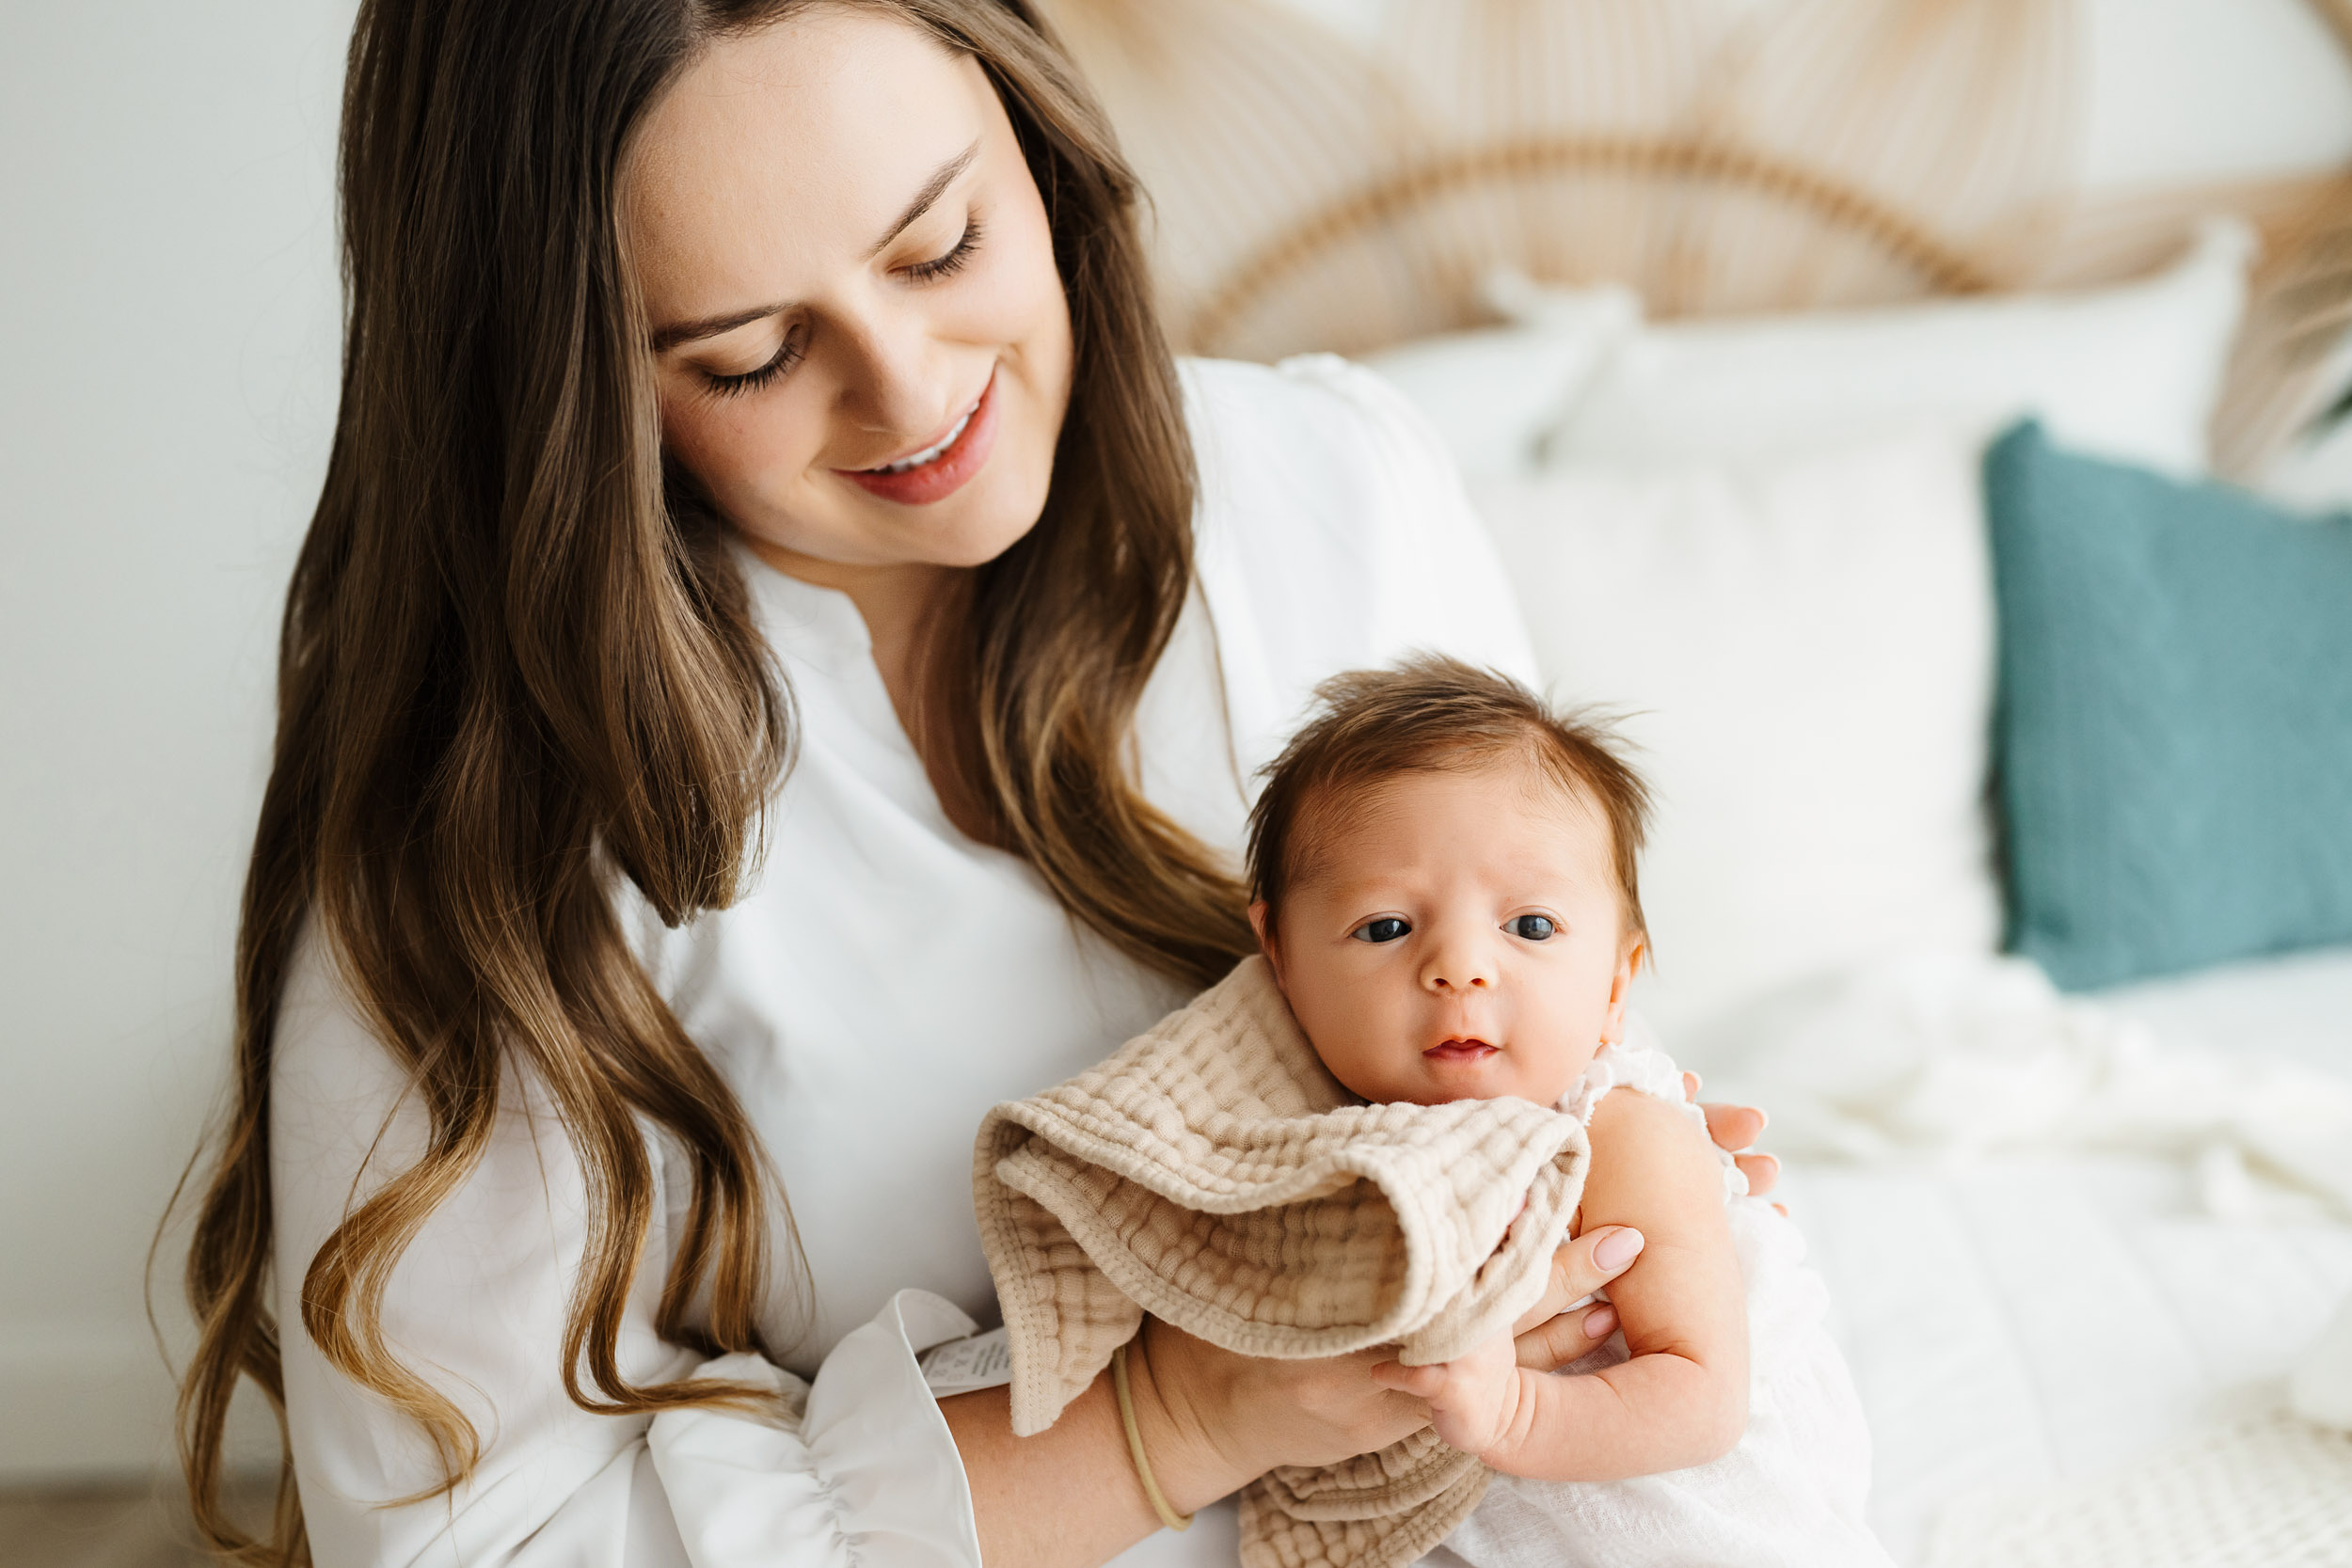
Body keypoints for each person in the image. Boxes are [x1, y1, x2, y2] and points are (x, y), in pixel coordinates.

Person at [169, 4, 1778, 1565]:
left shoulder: (1333, 488)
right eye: (748, 356)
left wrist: (1629, 1169)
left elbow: (1561, 991)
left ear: (1035, 137)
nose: (914, 391)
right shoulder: (489, 846)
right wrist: (1184, 1415)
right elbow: (470, 1541)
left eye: (942, 247)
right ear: (572, 396)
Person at [1242, 659, 1887, 1566]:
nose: (1461, 966)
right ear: (1282, 959)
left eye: (1531, 926)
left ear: (1617, 983)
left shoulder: (1616, 1131)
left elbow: (1703, 1394)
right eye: (1387, 927)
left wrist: (1516, 1410)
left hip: (1720, 1525)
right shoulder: (1304, 1137)